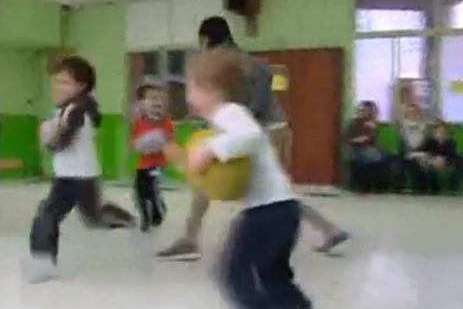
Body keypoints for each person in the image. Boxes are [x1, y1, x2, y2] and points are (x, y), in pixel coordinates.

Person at [157, 16, 348, 260]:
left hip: (267, 128)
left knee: (271, 191)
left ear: (204, 39)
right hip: (268, 127)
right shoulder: (240, 60)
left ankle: (326, 230)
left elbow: (252, 105)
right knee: (251, 187)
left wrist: (225, 132)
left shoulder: (229, 63)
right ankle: (190, 238)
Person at [185, 48, 311, 308]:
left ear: (209, 88)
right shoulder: (227, 116)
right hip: (282, 210)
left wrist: (210, 150)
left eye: (191, 87)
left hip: (267, 212)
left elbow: (251, 137)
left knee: (233, 273)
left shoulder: (228, 112)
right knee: (273, 278)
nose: (188, 96)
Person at [28, 56, 136, 283]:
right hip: (65, 177)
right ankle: (43, 262)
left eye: (66, 83)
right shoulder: (66, 109)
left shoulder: (77, 110)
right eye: (57, 82)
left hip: (83, 178)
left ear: (81, 86)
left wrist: (47, 137)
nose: (58, 87)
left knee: (93, 218)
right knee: (48, 214)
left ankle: (121, 216)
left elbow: (60, 142)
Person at [131, 84, 173, 232]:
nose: (157, 102)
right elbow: (133, 143)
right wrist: (139, 144)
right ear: (142, 103)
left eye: (159, 99)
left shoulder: (165, 122)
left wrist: (155, 141)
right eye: (152, 98)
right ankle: (145, 215)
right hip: (142, 164)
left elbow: (167, 140)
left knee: (152, 188)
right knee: (139, 191)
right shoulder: (138, 122)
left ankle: (157, 211)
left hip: (158, 164)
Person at [346, 100, 389, 191]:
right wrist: (359, 139)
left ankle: (377, 185)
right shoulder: (353, 123)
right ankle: (363, 185)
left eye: (369, 111)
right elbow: (347, 139)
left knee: (386, 156)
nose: (366, 112)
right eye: (364, 110)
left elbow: (374, 141)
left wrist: (373, 131)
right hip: (356, 148)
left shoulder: (373, 124)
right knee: (371, 157)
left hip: (370, 148)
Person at [398, 103, 429, 193]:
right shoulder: (403, 125)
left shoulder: (423, 125)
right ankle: (417, 187)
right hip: (407, 152)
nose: (413, 114)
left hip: (420, 151)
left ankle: (423, 188)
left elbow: (425, 142)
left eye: (415, 112)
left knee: (422, 159)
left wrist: (419, 149)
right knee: (415, 161)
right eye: (410, 112)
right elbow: (403, 142)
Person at [420, 120, 458, 194]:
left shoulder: (451, 142)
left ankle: (451, 190)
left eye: (442, 131)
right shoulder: (430, 141)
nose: (440, 133)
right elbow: (423, 151)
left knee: (454, 167)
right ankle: (432, 189)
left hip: (446, 161)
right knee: (426, 167)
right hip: (432, 161)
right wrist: (432, 159)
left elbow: (453, 155)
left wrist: (443, 159)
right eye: (438, 131)